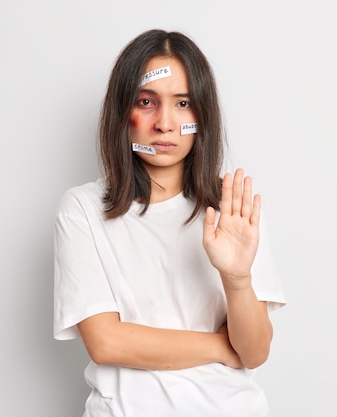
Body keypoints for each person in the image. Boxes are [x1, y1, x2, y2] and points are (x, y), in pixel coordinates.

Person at [54, 28, 286, 417]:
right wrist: (220, 347)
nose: (165, 123)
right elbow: (106, 343)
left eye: (183, 103)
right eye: (147, 101)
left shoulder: (233, 210)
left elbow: (255, 352)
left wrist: (237, 278)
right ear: (122, 111)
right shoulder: (83, 209)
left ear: (201, 114)